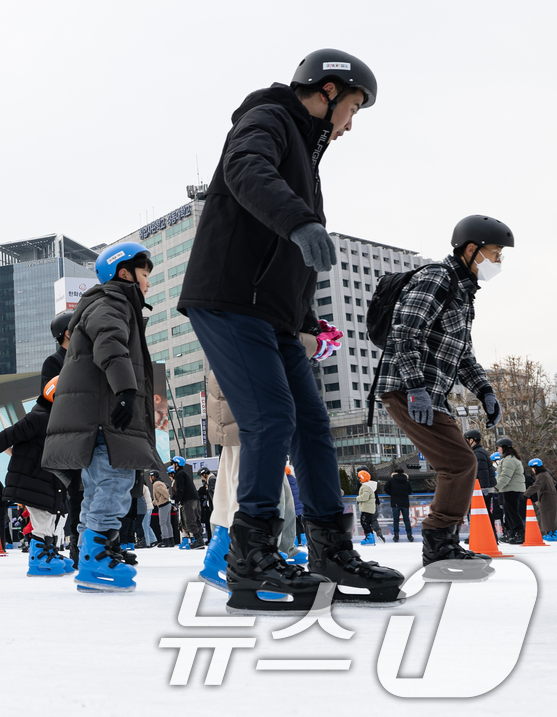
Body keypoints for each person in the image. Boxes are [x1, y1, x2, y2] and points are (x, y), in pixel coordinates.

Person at [178, 50, 403, 612]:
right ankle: (251, 559)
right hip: (229, 300)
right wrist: (301, 220)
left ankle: (330, 548)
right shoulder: (267, 119)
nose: (349, 126)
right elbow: (245, 171)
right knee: (270, 418)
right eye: (351, 109)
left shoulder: (306, 153)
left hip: (273, 314)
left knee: (312, 426)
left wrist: (306, 318)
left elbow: (284, 257)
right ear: (326, 92)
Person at [372, 215, 511, 576]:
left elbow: (462, 354)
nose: (497, 263)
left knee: (458, 463)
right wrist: (415, 386)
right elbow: (404, 332)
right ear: (471, 249)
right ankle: (439, 545)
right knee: (459, 463)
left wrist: (485, 391)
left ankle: (443, 543)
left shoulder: (464, 294)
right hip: (408, 389)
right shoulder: (437, 278)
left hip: (431, 393)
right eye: (494, 254)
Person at [43, 241, 162, 593]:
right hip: (104, 419)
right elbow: (111, 345)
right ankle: (96, 557)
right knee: (112, 485)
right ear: (123, 273)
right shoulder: (111, 302)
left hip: (100, 418)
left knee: (100, 489)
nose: (148, 283)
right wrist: (126, 392)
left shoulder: (107, 303)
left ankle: (93, 552)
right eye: (144, 274)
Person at [0, 313, 71, 576]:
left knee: (58, 511)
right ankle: (40, 557)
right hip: (37, 470)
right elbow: (13, 432)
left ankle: (50, 551)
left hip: (51, 468)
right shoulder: (42, 412)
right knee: (44, 513)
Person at [464, 429, 498, 544]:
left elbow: (481, 472)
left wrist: (482, 489)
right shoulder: (480, 452)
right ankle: (488, 535)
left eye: (466, 440)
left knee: (480, 513)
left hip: (481, 490)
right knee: (485, 513)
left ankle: (482, 535)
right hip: (483, 489)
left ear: (472, 440)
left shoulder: (477, 453)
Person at [496, 439, 526, 544]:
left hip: (512, 489)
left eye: (499, 447)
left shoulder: (509, 460)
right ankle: (512, 532)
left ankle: (520, 533)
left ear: (504, 448)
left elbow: (505, 476)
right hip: (508, 488)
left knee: (512, 512)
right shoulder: (507, 459)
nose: (498, 449)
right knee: (509, 512)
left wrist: (497, 487)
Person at [171, 457, 203, 548]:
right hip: (195, 498)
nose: (172, 465)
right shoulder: (184, 473)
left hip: (188, 500)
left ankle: (198, 540)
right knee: (196, 519)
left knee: (190, 520)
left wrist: (176, 500)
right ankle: (199, 539)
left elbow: (181, 489)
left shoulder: (180, 474)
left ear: (177, 464)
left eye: (173, 463)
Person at [524, 460, 556, 539]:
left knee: (548, 516)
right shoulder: (546, 474)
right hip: (550, 497)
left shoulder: (541, 475)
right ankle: (552, 532)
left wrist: (526, 494)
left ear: (535, 468)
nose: (532, 470)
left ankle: (554, 533)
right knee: (551, 516)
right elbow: (554, 482)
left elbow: (536, 486)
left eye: (532, 468)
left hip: (547, 498)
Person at [386, 469, 413, 543]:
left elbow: (385, 488)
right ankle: (409, 534)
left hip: (395, 502)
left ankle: (396, 535)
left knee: (396, 520)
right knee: (406, 519)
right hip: (405, 502)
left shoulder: (391, 480)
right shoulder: (406, 481)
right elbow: (410, 491)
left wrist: (391, 493)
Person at [356, 471, 379, 546]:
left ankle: (369, 538)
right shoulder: (367, 486)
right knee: (366, 523)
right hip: (368, 508)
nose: (359, 480)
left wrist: (358, 498)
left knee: (364, 522)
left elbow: (365, 497)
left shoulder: (365, 486)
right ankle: (370, 537)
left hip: (367, 508)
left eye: (360, 478)